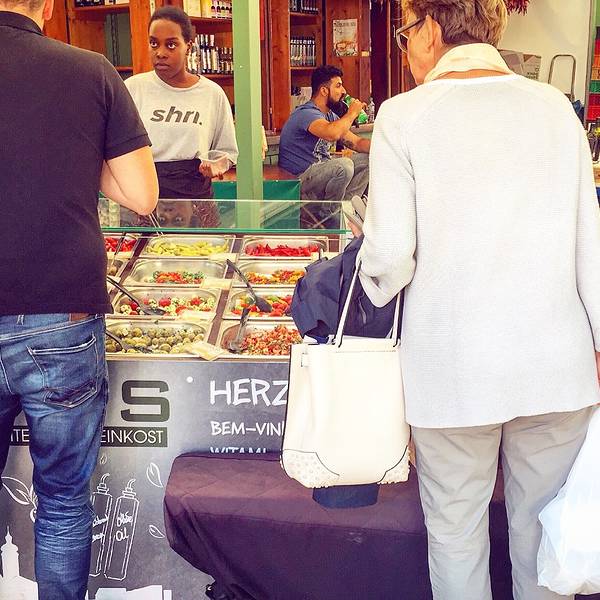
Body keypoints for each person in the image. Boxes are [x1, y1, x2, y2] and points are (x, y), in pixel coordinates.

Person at [358, 1, 600, 599]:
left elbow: (390, 258)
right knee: (544, 541)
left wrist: (367, 281)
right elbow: (590, 247)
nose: (406, 49)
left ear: (431, 29)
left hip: (452, 370)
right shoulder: (555, 109)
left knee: (456, 533)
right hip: (554, 365)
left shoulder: (403, 116)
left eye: (405, 32)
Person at [0, 0, 158, 594]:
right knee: (63, 499)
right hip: (61, 312)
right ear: (46, 5)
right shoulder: (90, 71)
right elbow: (142, 197)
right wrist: (68, 158)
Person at [125, 6, 238, 228]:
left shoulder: (211, 93)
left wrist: (217, 165)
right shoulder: (132, 89)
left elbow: (228, 152)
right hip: (145, 201)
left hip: (196, 199)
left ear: (189, 46)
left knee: (202, 250)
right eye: (154, 43)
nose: (160, 52)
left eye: (171, 44)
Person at [278, 65, 370, 228]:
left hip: (323, 175)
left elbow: (356, 142)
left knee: (370, 159)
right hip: (300, 180)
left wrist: (385, 147)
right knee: (343, 166)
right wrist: (352, 113)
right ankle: (329, 218)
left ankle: (347, 210)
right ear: (324, 91)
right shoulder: (306, 113)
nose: (343, 91)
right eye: (338, 86)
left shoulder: (330, 115)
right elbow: (332, 133)